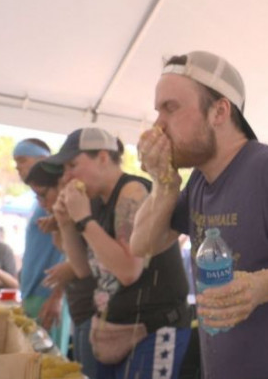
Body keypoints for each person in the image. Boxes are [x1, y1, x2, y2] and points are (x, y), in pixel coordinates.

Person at [131, 50, 268, 379]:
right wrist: (164, 184)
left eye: (171, 108)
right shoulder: (199, 181)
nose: (158, 125)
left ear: (219, 111)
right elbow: (143, 245)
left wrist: (260, 286)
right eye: (158, 111)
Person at [46, 127, 190, 379]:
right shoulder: (96, 201)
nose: (67, 176)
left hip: (151, 329)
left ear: (103, 157)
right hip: (114, 328)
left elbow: (128, 271)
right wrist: (66, 223)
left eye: (72, 165)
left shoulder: (132, 191)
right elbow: (83, 270)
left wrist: (83, 219)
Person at [25, 161, 98, 379]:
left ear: (62, 184)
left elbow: (88, 263)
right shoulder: (63, 216)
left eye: (43, 195)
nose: (42, 203)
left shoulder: (88, 212)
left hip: (97, 314)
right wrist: (59, 225)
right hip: (81, 311)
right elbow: (66, 250)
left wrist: (60, 289)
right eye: (36, 198)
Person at [12, 139, 66, 333]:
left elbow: (69, 254)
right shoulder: (41, 202)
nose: (17, 167)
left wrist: (57, 296)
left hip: (47, 294)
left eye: (22, 160)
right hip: (33, 291)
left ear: (43, 160)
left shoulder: (57, 200)